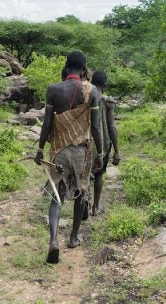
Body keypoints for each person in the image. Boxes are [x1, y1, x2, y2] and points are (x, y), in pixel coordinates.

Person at [34, 51, 103, 264]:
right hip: (82, 151)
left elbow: (47, 123)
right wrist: (100, 153)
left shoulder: (53, 89)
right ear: (84, 69)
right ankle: (73, 237)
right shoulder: (92, 92)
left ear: (66, 66)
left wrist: (39, 149)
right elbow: (96, 126)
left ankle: (54, 240)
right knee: (81, 191)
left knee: (57, 194)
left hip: (59, 151)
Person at [89, 71, 121, 216]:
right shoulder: (108, 102)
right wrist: (117, 150)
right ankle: (95, 207)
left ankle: (84, 203)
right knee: (99, 175)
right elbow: (111, 127)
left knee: (85, 175)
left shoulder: (85, 97)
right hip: (103, 143)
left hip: (85, 142)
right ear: (105, 85)